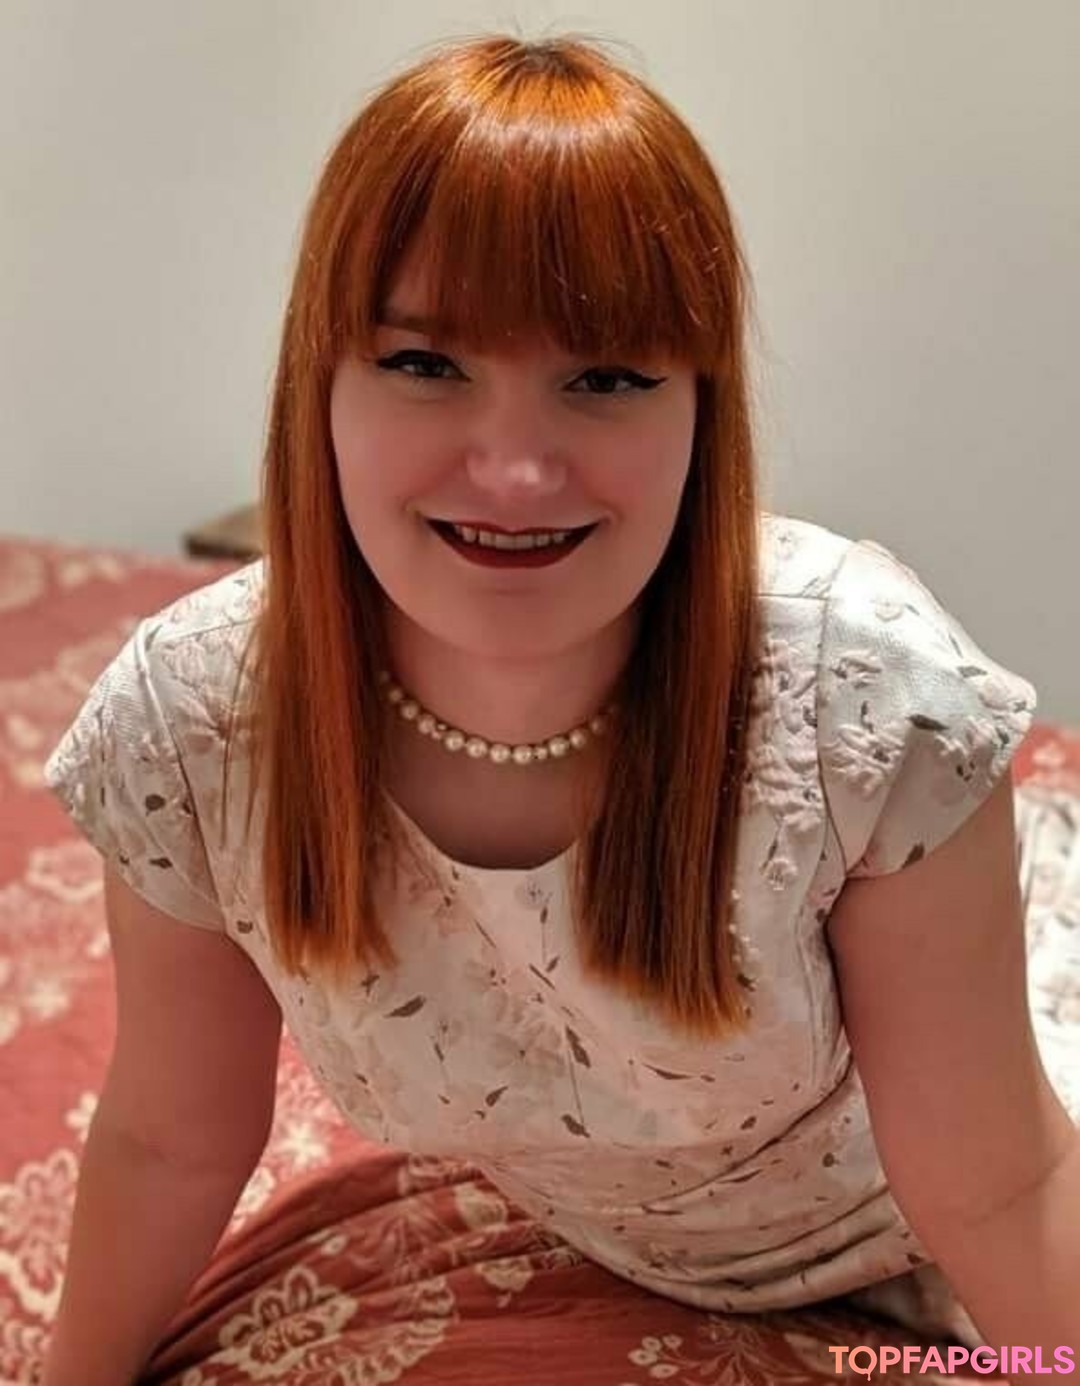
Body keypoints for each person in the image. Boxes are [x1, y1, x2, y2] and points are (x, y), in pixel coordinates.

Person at [40, 31, 1078, 1385]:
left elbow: (1001, 1181)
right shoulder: (193, 730)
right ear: (322, 385)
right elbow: (169, 1138)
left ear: (702, 412)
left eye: (607, 377)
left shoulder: (867, 706)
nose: (518, 470)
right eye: (426, 364)